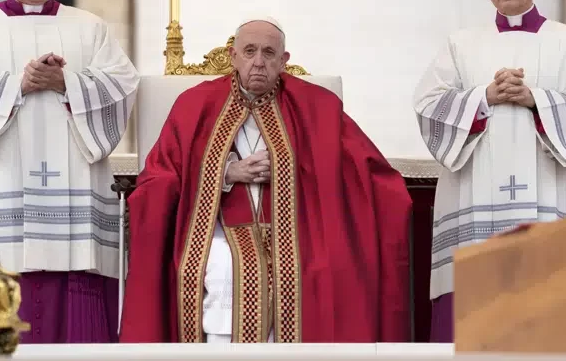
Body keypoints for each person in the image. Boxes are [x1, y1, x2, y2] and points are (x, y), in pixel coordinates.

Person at [120, 17, 412, 343]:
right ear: (233, 56)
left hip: (300, 230)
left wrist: (294, 168)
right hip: (216, 230)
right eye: (249, 51)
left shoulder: (318, 106)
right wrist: (224, 173)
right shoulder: (194, 105)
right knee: (222, 264)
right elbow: (159, 176)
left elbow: (362, 170)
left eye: (269, 53)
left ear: (284, 61)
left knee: (318, 269)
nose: (258, 62)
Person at [412, 0, 566, 342]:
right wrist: (484, 97)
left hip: (550, 204)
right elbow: (428, 106)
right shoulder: (460, 45)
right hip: (474, 210)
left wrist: (534, 99)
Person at [0, 0, 140, 343]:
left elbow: (124, 84)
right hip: (3, 177)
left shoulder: (90, 27)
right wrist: (19, 85)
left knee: (77, 293)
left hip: (76, 185)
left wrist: (67, 82)